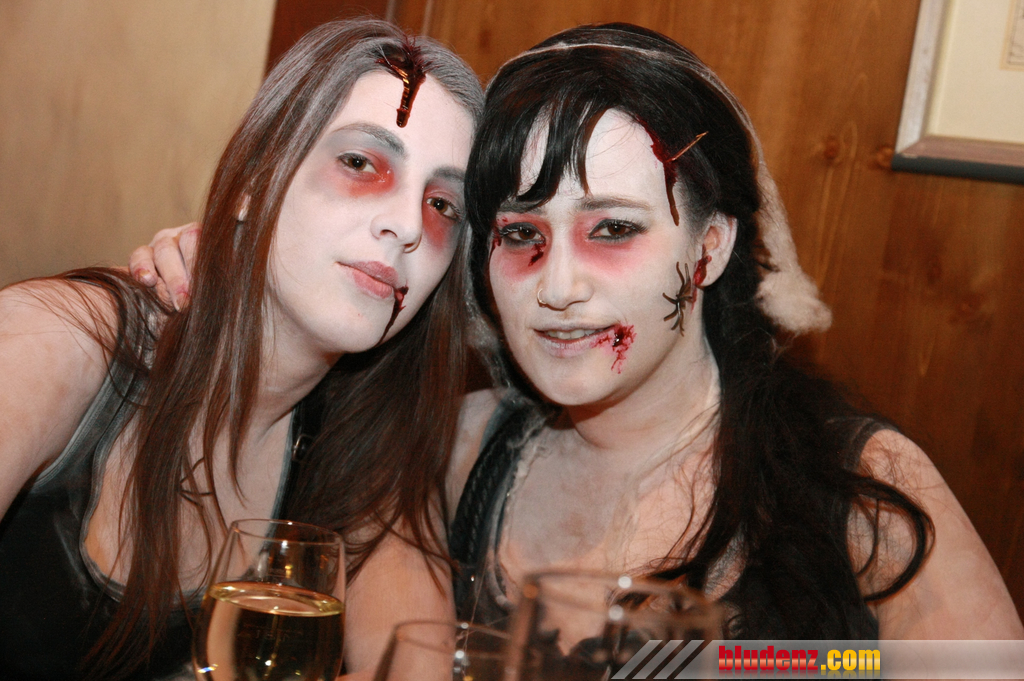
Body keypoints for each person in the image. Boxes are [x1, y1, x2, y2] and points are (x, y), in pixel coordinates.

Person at [133, 22, 1024, 643]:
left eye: (613, 229)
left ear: (710, 247)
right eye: (521, 234)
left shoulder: (864, 485)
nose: (558, 287)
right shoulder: (444, 453)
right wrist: (232, 266)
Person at [0, 19, 481, 681]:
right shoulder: (59, 338)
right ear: (256, 178)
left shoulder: (369, 450)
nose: (405, 225)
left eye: (442, 203)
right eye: (360, 163)